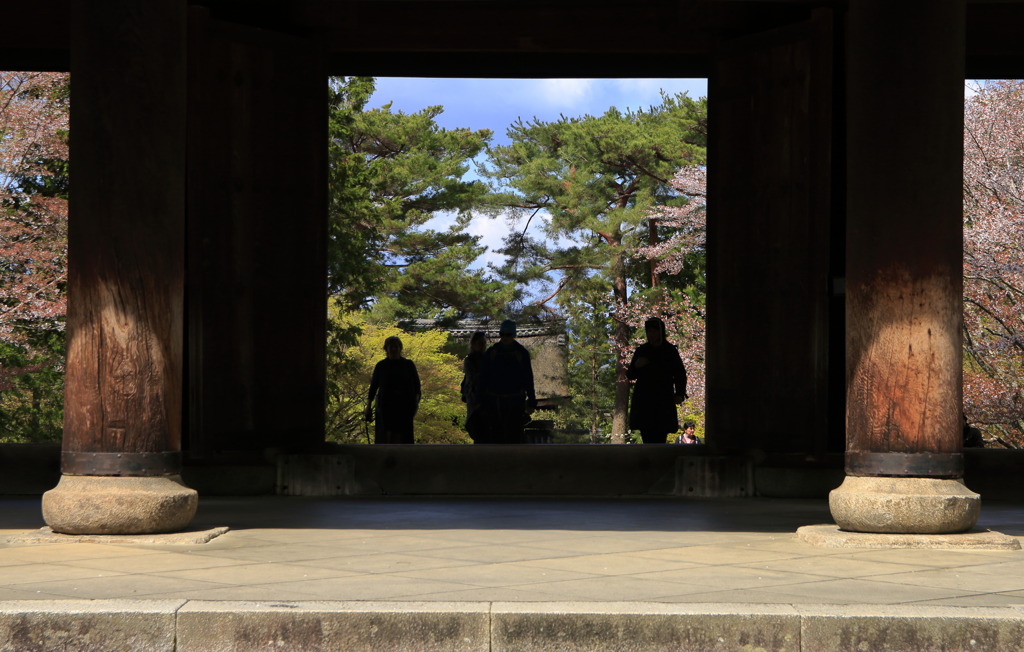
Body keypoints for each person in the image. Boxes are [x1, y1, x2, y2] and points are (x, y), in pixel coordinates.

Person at [627, 317, 688, 444]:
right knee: (646, 435)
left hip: (663, 399)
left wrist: (680, 393)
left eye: (654, 331)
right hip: (645, 400)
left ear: (660, 332)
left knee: (661, 435)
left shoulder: (669, 351)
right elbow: (630, 375)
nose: (651, 334)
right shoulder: (642, 350)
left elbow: (680, 374)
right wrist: (636, 366)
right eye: (648, 331)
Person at [479, 319, 536, 444]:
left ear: (514, 335)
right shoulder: (491, 352)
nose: (505, 337)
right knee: (495, 435)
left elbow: (528, 377)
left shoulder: (521, 353)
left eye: (508, 334)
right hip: (494, 402)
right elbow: (483, 377)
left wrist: (532, 400)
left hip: (515, 401)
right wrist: (481, 400)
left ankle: (513, 461)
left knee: (514, 435)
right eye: (502, 334)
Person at [364, 336, 421, 444]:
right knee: (385, 436)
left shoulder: (408, 365)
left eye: (396, 346)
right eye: (391, 346)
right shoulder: (381, 366)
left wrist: (415, 404)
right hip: (385, 406)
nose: (394, 349)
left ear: (400, 348)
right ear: (386, 348)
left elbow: (417, 387)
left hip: (405, 406)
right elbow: (373, 387)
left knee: (402, 437)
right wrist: (368, 406)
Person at [460, 331, 488, 443]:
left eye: (483, 342)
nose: (482, 345)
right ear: (473, 343)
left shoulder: (487, 358)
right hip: (475, 399)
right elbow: (473, 380)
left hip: (486, 399)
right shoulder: (470, 360)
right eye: (479, 342)